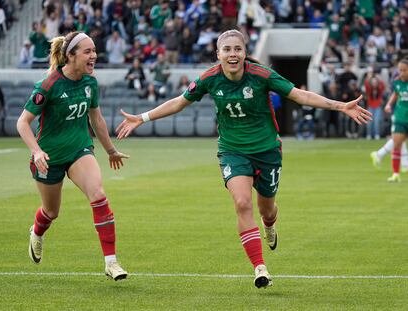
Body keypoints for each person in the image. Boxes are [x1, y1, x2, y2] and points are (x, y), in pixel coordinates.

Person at [115, 29, 372, 289]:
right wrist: (143, 117)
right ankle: (260, 268)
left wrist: (341, 106)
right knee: (241, 202)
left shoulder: (261, 76)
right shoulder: (209, 79)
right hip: (232, 150)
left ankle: (269, 225)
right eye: (227, 50)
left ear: (245, 53)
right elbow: (180, 102)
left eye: (237, 49)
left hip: (267, 151)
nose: (232, 54)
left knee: (267, 210)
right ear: (218, 54)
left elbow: (300, 95)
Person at [16, 31, 129, 281]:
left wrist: (111, 150)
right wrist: (36, 152)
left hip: (79, 150)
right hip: (49, 157)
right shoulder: (48, 85)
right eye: (88, 51)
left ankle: (111, 262)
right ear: (71, 56)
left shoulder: (91, 82)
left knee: (98, 195)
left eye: (94, 51)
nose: (94, 56)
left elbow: (96, 118)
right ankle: (36, 232)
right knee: (51, 212)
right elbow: (23, 123)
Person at [382, 58, 408, 182]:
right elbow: (396, 94)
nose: (401, 73)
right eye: (400, 70)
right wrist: (388, 104)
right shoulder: (397, 82)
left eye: (404, 70)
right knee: (396, 145)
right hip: (400, 118)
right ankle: (396, 174)